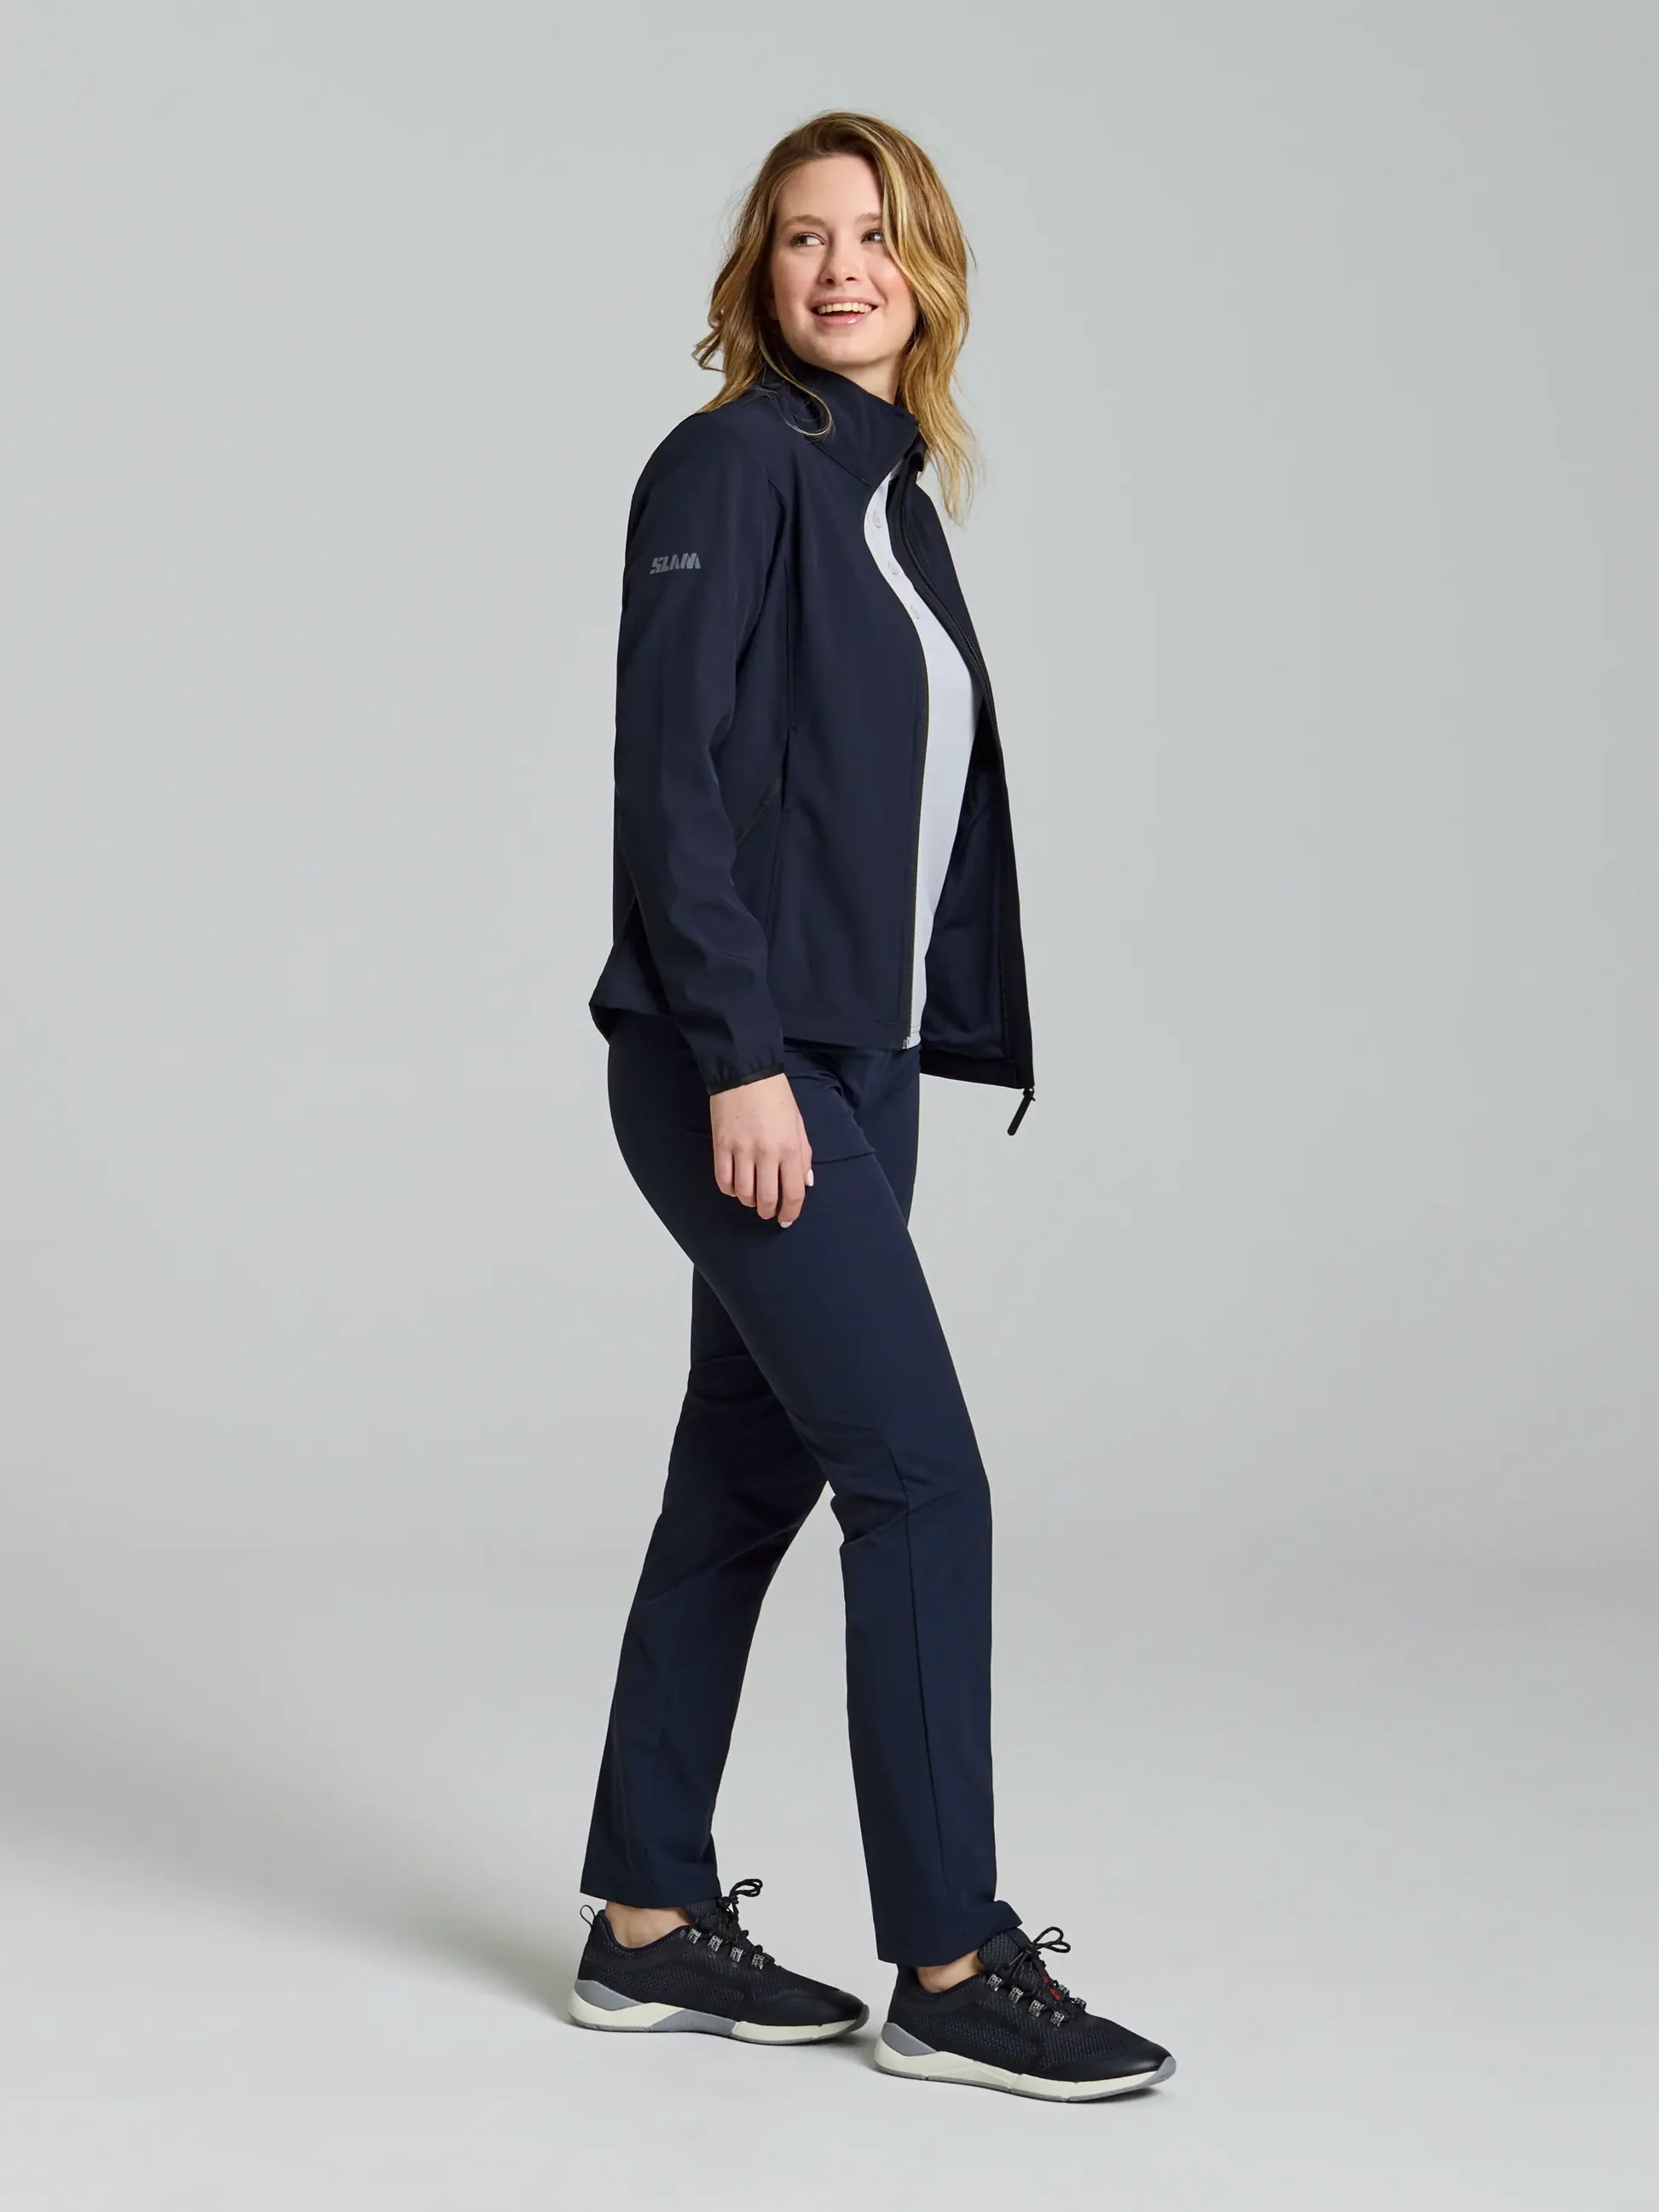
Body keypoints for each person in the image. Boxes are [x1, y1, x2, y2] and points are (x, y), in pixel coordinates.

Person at [569, 109, 1174, 2102]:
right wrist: (740, 1053)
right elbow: (669, 783)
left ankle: (644, 1922)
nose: (841, 268)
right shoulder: (731, 461)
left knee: (742, 1480)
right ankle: (950, 1961)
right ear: (759, 273)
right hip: (738, 1057)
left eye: (875, 235)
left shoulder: (890, 490)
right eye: (803, 236)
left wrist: (868, 1047)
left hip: (857, 1058)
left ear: (928, 270)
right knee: (922, 1479)